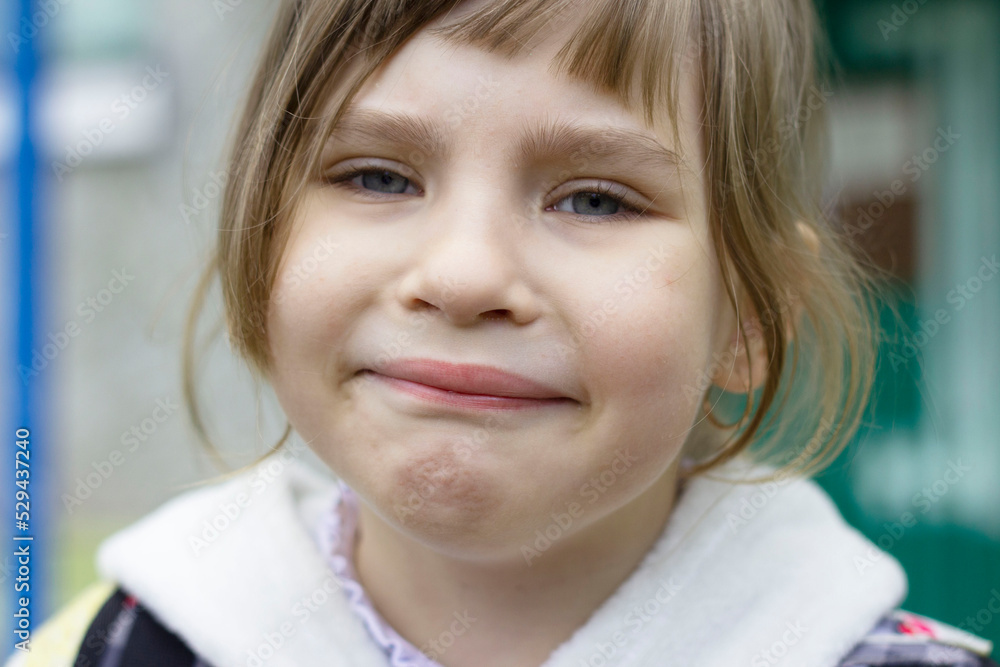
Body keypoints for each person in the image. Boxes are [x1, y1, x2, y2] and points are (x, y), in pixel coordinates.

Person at [9, 0, 997, 665]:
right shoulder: (107, 647)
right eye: (379, 176)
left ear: (746, 312)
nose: (465, 275)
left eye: (595, 199)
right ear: (264, 243)